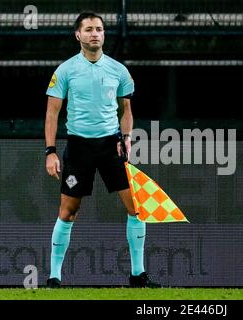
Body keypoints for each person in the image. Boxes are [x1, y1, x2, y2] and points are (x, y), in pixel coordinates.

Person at [44, 11, 160, 288]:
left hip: (111, 146)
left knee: (137, 208)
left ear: (104, 34)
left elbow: (127, 111)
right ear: (78, 35)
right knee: (68, 211)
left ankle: (137, 275)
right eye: (88, 29)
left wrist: (127, 136)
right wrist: (50, 151)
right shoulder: (65, 71)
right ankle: (54, 278)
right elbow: (51, 114)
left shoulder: (119, 71)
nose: (94, 33)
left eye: (99, 29)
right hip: (79, 146)